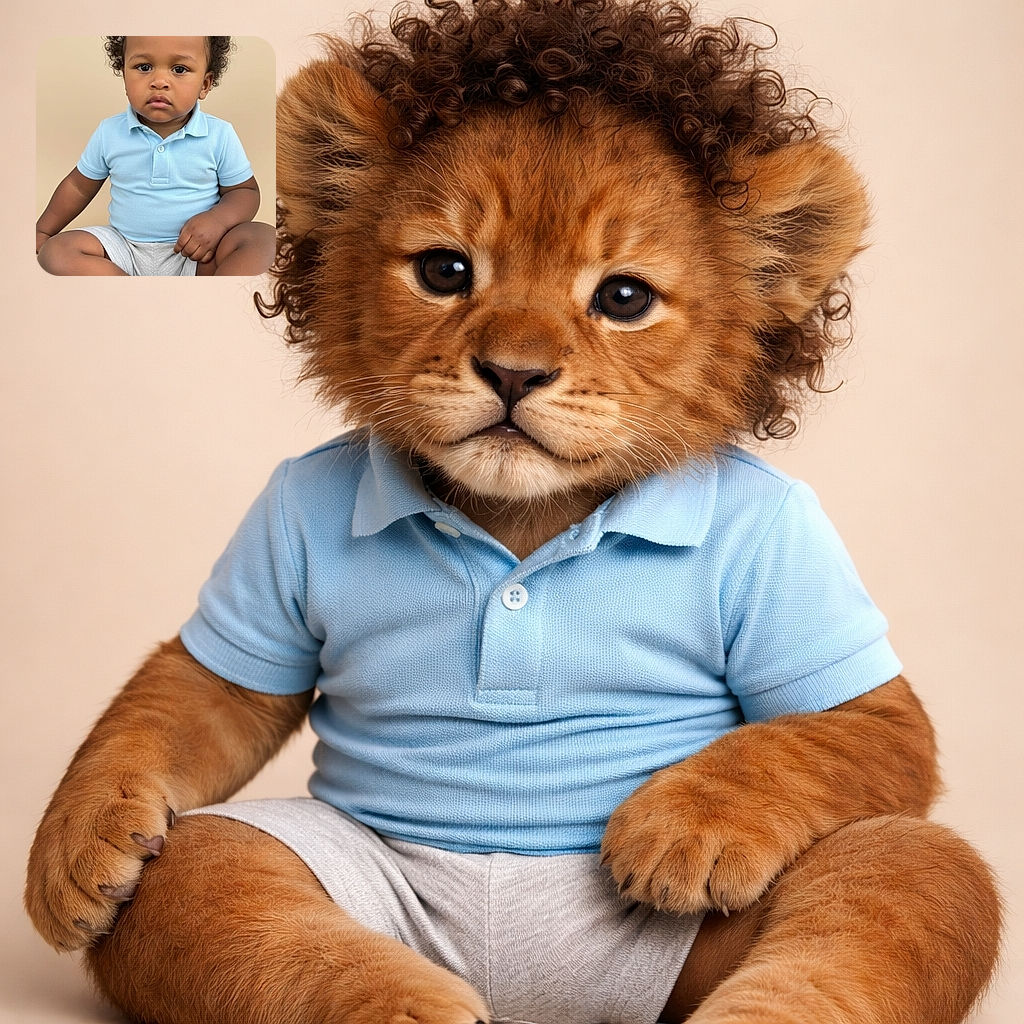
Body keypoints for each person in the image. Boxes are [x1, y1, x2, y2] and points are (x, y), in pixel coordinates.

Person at [36, 36, 273, 276]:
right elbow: (78, 187)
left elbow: (245, 192)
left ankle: (211, 300)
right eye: (144, 67)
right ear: (125, 77)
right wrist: (43, 231)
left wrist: (218, 221)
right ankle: (132, 297)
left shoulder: (219, 134)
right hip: (123, 250)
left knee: (263, 239)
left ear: (205, 84)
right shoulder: (109, 132)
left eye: (179, 69)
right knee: (56, 252)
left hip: (197, 254)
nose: (159, 82)